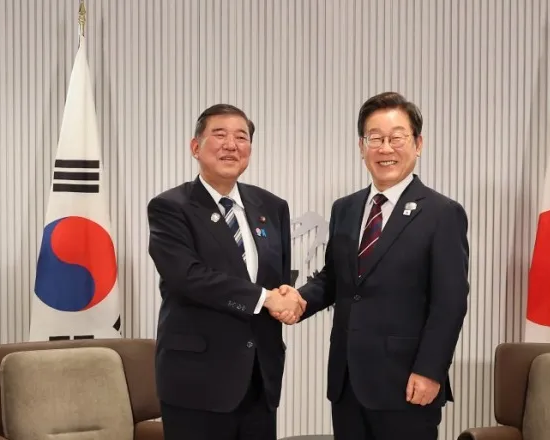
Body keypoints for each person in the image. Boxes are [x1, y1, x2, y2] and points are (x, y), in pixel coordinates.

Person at [275, 92, 470, 440]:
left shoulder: (442, 213)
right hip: (347, 380)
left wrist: (430, 371)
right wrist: (300, 299)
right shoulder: (345, 208)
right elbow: (335, 278)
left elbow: (450, 303)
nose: (385, 148)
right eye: (375, 138)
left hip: (407, 383)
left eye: (397, 138)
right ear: (361, 146)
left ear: (418, 144)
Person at [147, 104, 306, 440]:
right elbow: (187, 277)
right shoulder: (170, 207)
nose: (231, 145)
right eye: (219, 135)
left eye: (241, 137)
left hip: (259, 378)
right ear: (196, 147)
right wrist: (265, 299)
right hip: (197, 380)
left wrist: (288, 297)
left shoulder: (272, 207)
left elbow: (276, 279)